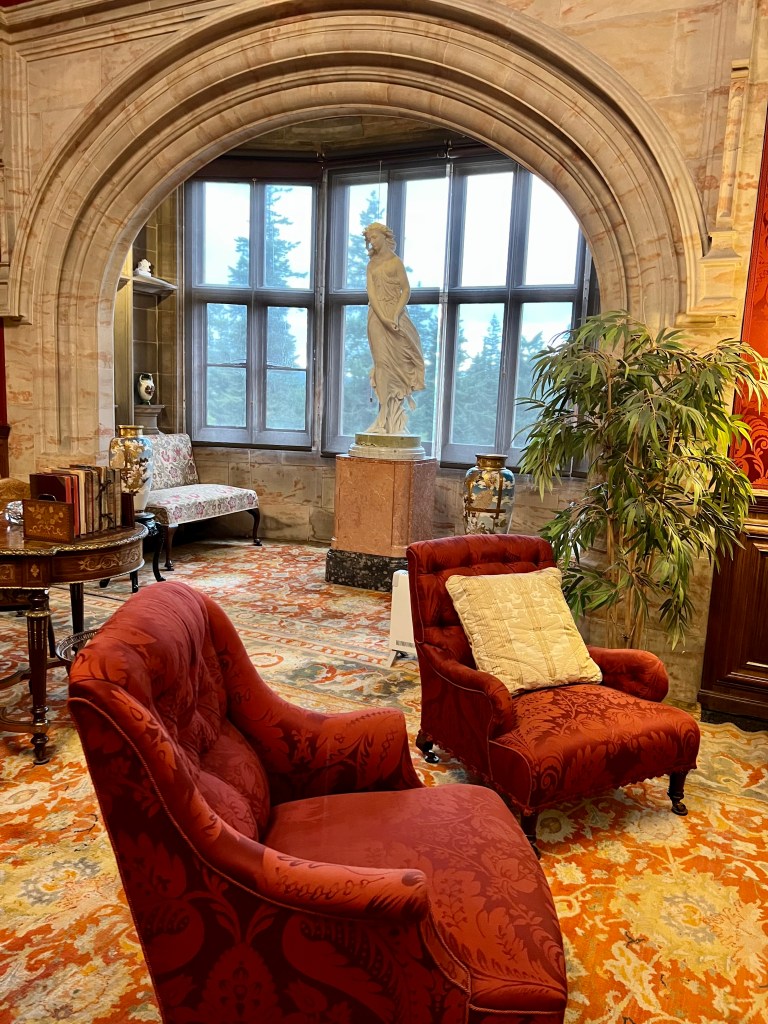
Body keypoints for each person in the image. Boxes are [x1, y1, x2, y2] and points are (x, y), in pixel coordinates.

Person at [362, 222, 425, 435]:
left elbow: (406, 290)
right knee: (381, 362)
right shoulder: (371, 265)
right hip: (377, 316)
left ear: (385, 237)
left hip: (396, 314)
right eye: (369, 238)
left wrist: (395, 315)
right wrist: (384, 318)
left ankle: (394, 418)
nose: (372, 241)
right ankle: (382, 417)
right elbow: (371, 295)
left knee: (399, 362)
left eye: (375, 237)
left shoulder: (395, 262)